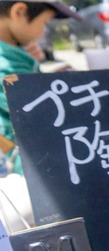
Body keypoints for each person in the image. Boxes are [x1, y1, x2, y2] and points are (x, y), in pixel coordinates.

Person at [0, 0, 80, 175]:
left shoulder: (13, 51)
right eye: (44, 23)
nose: (43, 32)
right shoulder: (6, 64)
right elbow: (36, 109)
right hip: (26, 162)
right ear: (19, 12)